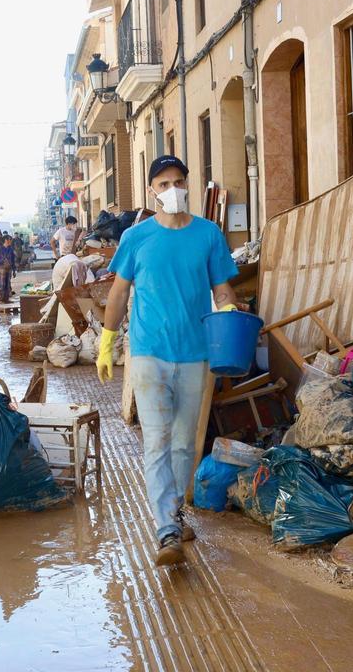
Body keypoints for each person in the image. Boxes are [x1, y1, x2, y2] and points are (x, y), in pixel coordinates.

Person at [97, 156, 240, 566]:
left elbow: (223, 290)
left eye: (178, 181)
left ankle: (175, 513)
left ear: (188, 184)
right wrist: (108, 342)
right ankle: (165, 531)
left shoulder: (208, 235)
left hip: (196, 353)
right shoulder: (136, 238)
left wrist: (230, 315)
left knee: (183, 444)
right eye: (163, 183)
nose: (171, 189)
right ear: (151, 191)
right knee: (157, 441)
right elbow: (120, 293)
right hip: (148, 353)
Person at [0, 234, 17, 303]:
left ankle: (6, 299)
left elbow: (13, 260)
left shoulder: (11, 249)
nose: (10, 241)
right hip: (1, 268)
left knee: (8, 284)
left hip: (9, 268)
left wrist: (14, 270)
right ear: (6, 240)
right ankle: (0, 298)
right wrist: (2, 261)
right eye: (9, 239)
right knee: (2, 283)